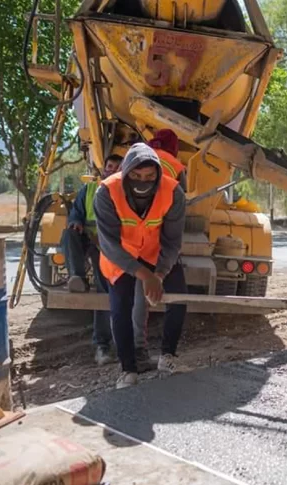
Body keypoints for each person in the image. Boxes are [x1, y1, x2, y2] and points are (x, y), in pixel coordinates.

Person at [94, 143, 188, 389]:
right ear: (125, 173)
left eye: (149, 176)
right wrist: (144, 274)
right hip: (120, 257)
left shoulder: (173, 192)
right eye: (135, 176)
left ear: (158, 174)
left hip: (155, 252)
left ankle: (167, 356)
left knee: (178, 298)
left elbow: (172, 241)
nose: (142, 181)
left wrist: (159, 273)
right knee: (120, 308)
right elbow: (109, 245)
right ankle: (128, 370)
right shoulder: (106, 193)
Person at [63, 154, 121, 365]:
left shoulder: (124, 194)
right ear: (103, 169)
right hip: (87, 239)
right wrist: (76, 222)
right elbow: (76, 212)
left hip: (106, 247)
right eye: (109, 166)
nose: (111, 170)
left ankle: (103, 345)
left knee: (104, 290)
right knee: (69, 233)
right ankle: (77, 277)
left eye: (116, 168)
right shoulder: (88, 190)